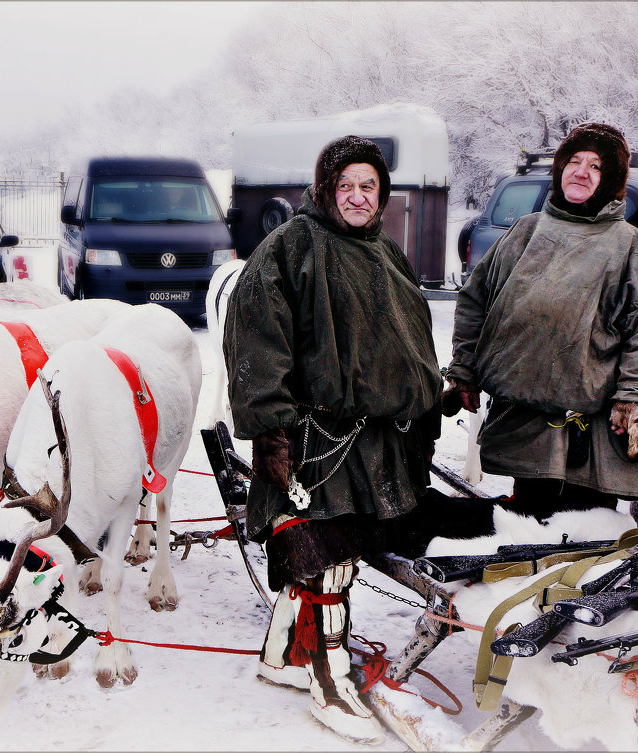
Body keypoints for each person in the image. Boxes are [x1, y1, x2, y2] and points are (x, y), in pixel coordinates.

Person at [223, 136, 442, 744]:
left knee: (332, 559)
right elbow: (256, 342)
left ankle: (280, 658)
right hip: (312, 441)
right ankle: (329, 681)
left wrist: (425, 398)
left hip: (375, 443)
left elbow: (412, 337)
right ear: (324, 190)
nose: (356, 196)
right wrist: (269, 431)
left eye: (367, 186)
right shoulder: (290, 247)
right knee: (330, 564)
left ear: (382, 195)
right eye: (345, 186)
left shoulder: (387, 253)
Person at [444, 123, 638, 522]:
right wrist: (464, 371)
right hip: (524, 423)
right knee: (524, 531)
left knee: (582, 539)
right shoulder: (525, 233)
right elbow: (475, 303)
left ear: (612, 182)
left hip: (594, 435)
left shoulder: (634, 249)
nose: (581, 172)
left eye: (596, 166)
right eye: (574, 161)